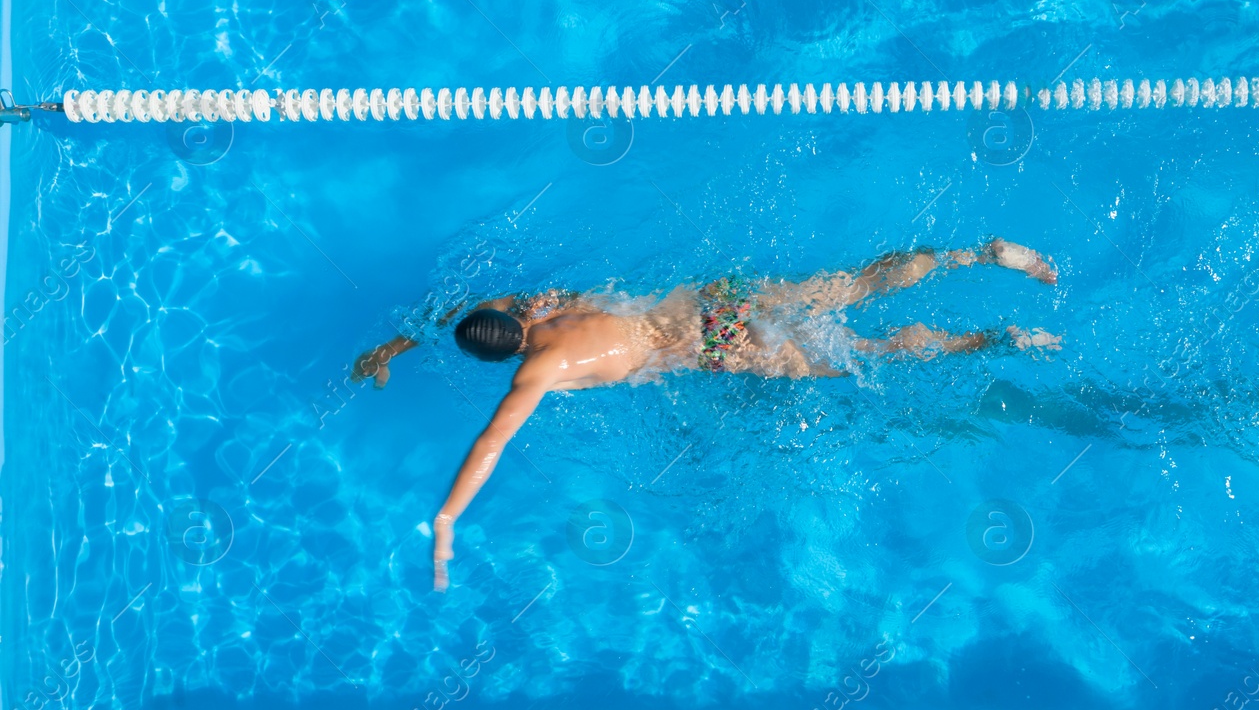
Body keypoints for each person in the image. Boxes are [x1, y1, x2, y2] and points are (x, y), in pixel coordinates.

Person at [352, 239, 1059, 590]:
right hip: (712, 302)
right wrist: (387, 348)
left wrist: (446, 519)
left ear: (504, 361)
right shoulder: (526, 303)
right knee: (851, 287)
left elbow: (491, 444)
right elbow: (450, 316)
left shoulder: (539, 368)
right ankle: (978, 254)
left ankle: (995, 340)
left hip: (713, 344)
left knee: (865, 354)